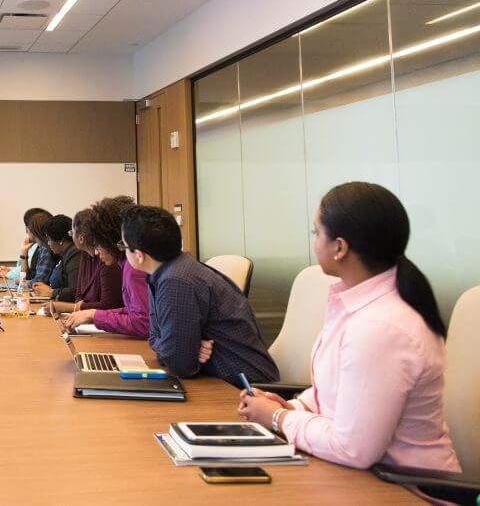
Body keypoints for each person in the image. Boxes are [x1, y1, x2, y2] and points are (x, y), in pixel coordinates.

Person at [238, 183, 460, 472]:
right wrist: (295, 406)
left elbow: (353, 449)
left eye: (316, 233)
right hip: (361, 475)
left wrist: (279, 418)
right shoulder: (357, 306)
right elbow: (335, 392)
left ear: (340, 247)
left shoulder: (380, 327)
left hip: (405, 488)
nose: (314, 240)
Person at [121, 204, 278, 386]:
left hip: (245, 389)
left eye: (123, 246)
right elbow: (155, 337)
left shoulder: (176, 281)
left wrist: (179, 350)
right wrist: (185, 348)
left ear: (139, 255)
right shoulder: (166, 271)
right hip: (220, 379)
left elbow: (180, 365)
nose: (123, 251)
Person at [60, 197, 150, 337]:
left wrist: (95, 315)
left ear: (110, 240)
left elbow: (144, 323)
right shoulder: (126, 264)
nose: (96, 251)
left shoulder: (134, 268)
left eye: (98, 244)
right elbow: (131, 311)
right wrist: (91, 314)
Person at [50, 205, 124, 315]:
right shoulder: (85, 254)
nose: (71, 237)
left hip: (101, 321)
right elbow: (79, 294)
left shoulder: (107, 260)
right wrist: (78, 307)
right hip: (86, 318)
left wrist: (74, 307)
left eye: (71, 233)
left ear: (81, 238)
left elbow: (108, 305)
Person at [0, 208, 55, 288]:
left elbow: (39, 282)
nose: (26, 231)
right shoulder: (40, 248)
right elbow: (28, 276)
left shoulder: (46, 249)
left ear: (33, 229)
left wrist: (21, 282)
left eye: (27, 226)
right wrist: (24, 254)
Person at [37, 214, 81, 303]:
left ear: (60, 239)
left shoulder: (75, 254)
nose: (48, 243)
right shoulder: (65, 253)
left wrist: (51, 292)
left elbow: (75, 291)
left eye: (49, 239)